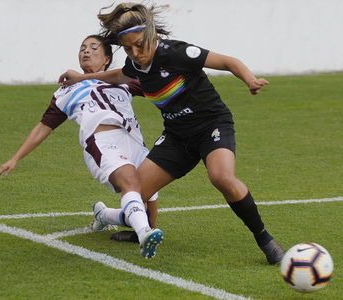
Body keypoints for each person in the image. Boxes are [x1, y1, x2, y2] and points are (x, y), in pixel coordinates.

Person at [58, 3, 285, 265]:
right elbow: (120, 74)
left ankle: (265, 239)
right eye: (128, 48)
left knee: (221, 177)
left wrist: (249, 79)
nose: (135, 53)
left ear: (152, 34)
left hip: (211, 124)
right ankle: (115, 220)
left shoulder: (177, 52)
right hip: (178, 137)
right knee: (135, 192)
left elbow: (227, 61)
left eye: (140, 45)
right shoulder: (135, 64)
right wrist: (82, 79)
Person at [0, 34, 163, 259]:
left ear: (106, 59)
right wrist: (15, 158)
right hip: (101, 143)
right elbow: (44, 126)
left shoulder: (121, 79)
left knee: (147, 197)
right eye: (83, 48)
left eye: (93, 48)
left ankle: (106, 215)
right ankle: (144, 235)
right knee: (130, 181)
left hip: (133, 141)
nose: (86, 51)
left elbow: (159, 88)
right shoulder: (66, 90)